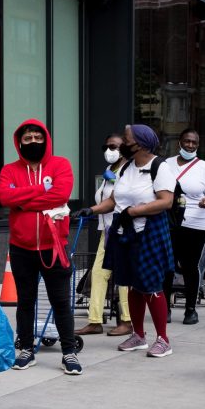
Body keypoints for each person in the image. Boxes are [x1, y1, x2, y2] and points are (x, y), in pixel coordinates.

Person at [76, 124, 174, 358]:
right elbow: (113, 201)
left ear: (139, 144)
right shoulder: (127, 167)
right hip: (125, 234)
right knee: (130, 284)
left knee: (151, 285)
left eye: (126, 140)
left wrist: (135, 211)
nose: (122, 144)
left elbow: (166, 201)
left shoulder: (160, 167)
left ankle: (163, 339)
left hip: (148, 232)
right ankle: (138, 335)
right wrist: (91, 210)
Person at [0, 119, 80, 374]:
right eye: (27, 139)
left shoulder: (60, 164)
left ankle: (69, 352)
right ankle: (25, 349)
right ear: (19, 143)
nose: (33, 142)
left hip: (53, 245)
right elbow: (4, 197)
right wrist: (39, 191)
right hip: (21, 246)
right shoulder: (9, 170)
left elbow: (60, 195)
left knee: (61, 301)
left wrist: (22, 199)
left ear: (46, 139)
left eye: (37, 137)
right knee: (25, 301)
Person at [160, 128, 205, 325]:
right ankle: (165, 309)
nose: (190, 145)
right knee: (167, 265)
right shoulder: (166, 164)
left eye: (194, 142)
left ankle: (190, 309)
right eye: (187, 141)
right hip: (169, 221)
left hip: (196, 222)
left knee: (190, 265)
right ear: (180, 141)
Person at [76, 132, 133, 337]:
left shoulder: (129, 170)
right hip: (106, 230)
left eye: (115, 146)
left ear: (124, 149)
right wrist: (92, 210)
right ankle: (95, 321)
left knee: (123, 278)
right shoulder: (110, 169)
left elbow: (119, 200)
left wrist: (93, 209)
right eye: (107, 147)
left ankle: (127, 320)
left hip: (122, 229)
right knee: (99, 274)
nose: (110, 151)